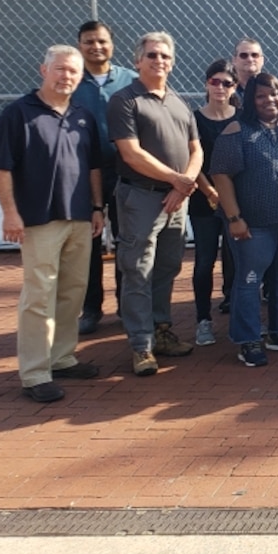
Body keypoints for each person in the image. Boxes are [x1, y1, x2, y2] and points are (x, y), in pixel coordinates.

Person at [0, 44, 104, 402]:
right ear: (44, 70)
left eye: (73, 71)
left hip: (80, 218)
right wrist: (10, 213)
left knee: (73, 292)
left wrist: (98, 207)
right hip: (39, 220)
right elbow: (2, 168)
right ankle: (35, 373)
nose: (66, 76)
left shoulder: (82, 115)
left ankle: (62, 357)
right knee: (39, 296)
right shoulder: (17, 114)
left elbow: (93, 167)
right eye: (60, 69)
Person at [106, 32, 200, 376]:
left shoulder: (178, 101)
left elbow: (196, 150)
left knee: (167, 267)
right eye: (152, 56)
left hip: (177, 201)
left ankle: (162, 331)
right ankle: (141, 345)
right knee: (138, 270)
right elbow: (131, 153)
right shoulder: (125, 101)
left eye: (165, 56)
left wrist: (184, 185)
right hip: (141, 198)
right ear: (137, 61)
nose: (159, 61)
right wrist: (175, 181)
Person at [211, 73, 278, 368]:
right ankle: (247, 340)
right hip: (253, 222)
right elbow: (221, 173)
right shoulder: (238, 130)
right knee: (250, 279)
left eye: (273, 94)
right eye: (260, 96)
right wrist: (234, 217)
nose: (268, 100)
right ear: (251, 100)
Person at [71, 20, 136, 335]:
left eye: (101, 41)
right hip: (83, 175)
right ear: (80, 46)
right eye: (88, 42)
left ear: (112, 43)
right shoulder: (70, 79)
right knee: (89, 244)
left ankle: (126, 306)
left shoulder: (130, 80)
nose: (96, 47)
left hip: (126, 171)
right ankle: (91, 309)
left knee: (127, 242)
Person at [189, 59, 238, 347]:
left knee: (235, 258)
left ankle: (235, 310)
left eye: (227, 83)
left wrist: (229, 197)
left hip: (235, 203)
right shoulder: (194, 118)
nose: (220, 88)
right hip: (203, 202)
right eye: (215, 81)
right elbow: (193, 162)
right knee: (204, 260)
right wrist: (211, 193)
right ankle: (203, 320)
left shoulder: (241, 117)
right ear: (207, 83)